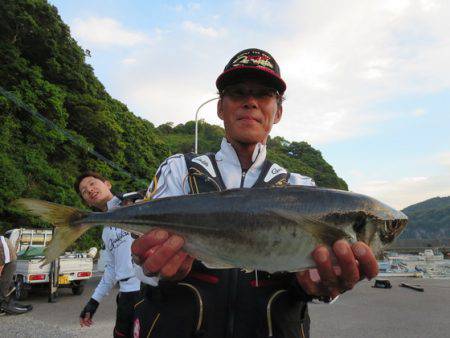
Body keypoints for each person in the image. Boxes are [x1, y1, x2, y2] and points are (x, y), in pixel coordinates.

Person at [131, 48, 379, 338]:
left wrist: (322, 287)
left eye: (264, 94)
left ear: (278, 111)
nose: (250, 102)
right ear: (220, 107)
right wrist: (153, 269)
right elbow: (136, 262)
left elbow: (317, 274)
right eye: (237, 93)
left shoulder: (303, 189)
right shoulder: (178, 170)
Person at [75, 171, 144, 337]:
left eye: (92, 183)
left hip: (146, 291)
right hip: (125, 296)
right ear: (87, 202)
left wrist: (142, 199)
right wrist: (93, 301)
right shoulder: (106, 232)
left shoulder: (133, 204)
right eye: (84, 191)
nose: (89, 190)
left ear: (108, 184)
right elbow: (112, 269)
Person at [0, 235, 32, 315]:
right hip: (5, 256)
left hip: (9, 260)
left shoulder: (2, 245)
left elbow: (2, 263)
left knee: (4, 283)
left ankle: (4, 305)